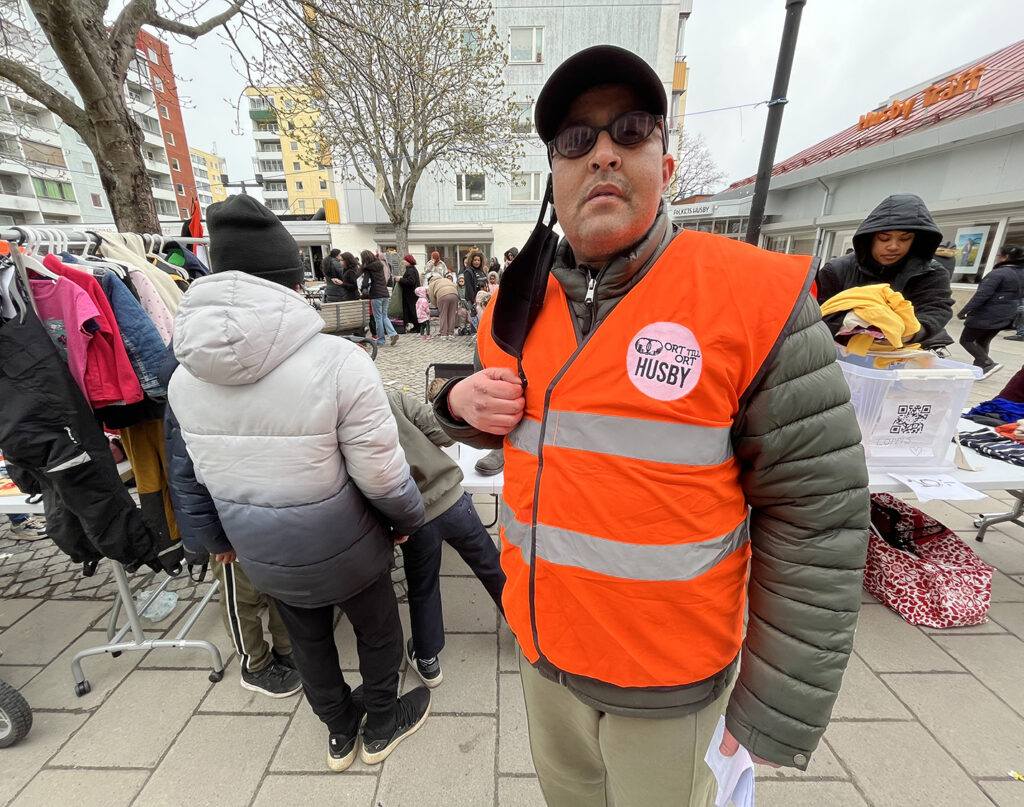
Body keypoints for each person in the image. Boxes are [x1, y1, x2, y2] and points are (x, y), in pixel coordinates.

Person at [431, 45, 869, 806]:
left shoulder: (753, 299)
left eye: (630, 130)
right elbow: (511, 423)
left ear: (664, 166)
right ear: (556, 179)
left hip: (670, 688)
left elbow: (817, 517)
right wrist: (453, 406)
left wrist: (768, 710)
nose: (601, 150)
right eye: (575, 139)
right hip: (544, 663)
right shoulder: (517, 301)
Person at [165, 195, 430, 772]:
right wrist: (408, 520)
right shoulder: (339, 361)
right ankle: (380, 725)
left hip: (261, 551)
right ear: (290, 280)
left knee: (308, 641)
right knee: (378, 632)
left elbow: (189, 472)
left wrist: (217, 541)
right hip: (347, 544)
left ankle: (338, 734)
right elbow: (383, 471)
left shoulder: (184, 377)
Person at [385, 389, 505, 687]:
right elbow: (445, 433)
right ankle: (526, 627)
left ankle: (427, 658)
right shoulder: (392, 398)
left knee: (423, 587)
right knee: (491, 566)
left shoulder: (341, 418)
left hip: (414, 516)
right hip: (454, 501)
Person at [816, 194, 954, 353]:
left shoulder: (932, 272)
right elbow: (817, 313)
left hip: (911, 351)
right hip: (843, 351)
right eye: (884, 238)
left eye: (905, 238)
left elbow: (936, 309)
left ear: (916, 240)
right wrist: (855, 326)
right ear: (869, 239)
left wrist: (912, 333)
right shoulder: (837, 269)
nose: (894, 246)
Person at [957, 244, 1024, 378]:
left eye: (998, 255)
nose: (996, 259)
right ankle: (979, 369)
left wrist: (964, 310)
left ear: (1006, 257)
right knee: (983, 341)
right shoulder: (1021, 273)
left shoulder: (998, 273)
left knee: (966, 340)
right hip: (1008, 313)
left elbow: (982, 295)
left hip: (987, 314)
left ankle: (987, 363)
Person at [361, 249, 400, 347]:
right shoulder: (380, 265)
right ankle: (393, 334)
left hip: (376, 295)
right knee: (384, 316)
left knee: (378, 318)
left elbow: (365, 283)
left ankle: (381, 340)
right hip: (385, 294)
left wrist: (364, 290)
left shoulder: (368, 268)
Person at [427, 271, 459, 340]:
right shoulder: (445, 279)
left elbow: (432, 297)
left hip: (443, 295)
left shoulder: (432, 283)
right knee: (452, 315)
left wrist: (436, 305)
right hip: (454, 294)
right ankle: (451, 333)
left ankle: (444, 334)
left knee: (443, 314)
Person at [398, 254, 421, 333]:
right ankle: (416, 326)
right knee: (413, 310)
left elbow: (411, 281)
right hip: (412, 294)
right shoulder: (412, 269)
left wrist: (400, 280)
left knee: (412, 311)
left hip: (411, 295)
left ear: (409, 261)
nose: (403, 261)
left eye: (405, 260)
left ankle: (418, 327)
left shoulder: (410, 270)